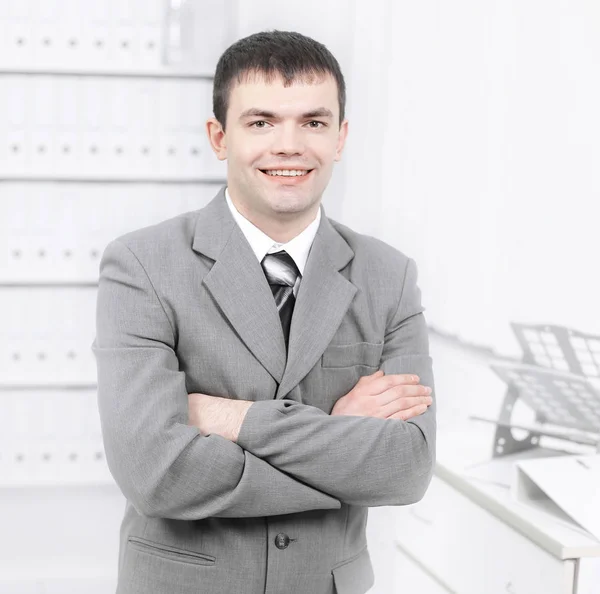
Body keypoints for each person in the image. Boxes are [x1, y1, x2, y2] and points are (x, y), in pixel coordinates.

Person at [92, 29, 436, 594]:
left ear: (341, 137)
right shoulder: (141, 266)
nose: (289, 145)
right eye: (261, 122)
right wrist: (341, 442)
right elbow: (155, 473)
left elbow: (404, 468)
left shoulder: (389, 276)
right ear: (219, 136)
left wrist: (230, 418)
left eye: (313, 122)